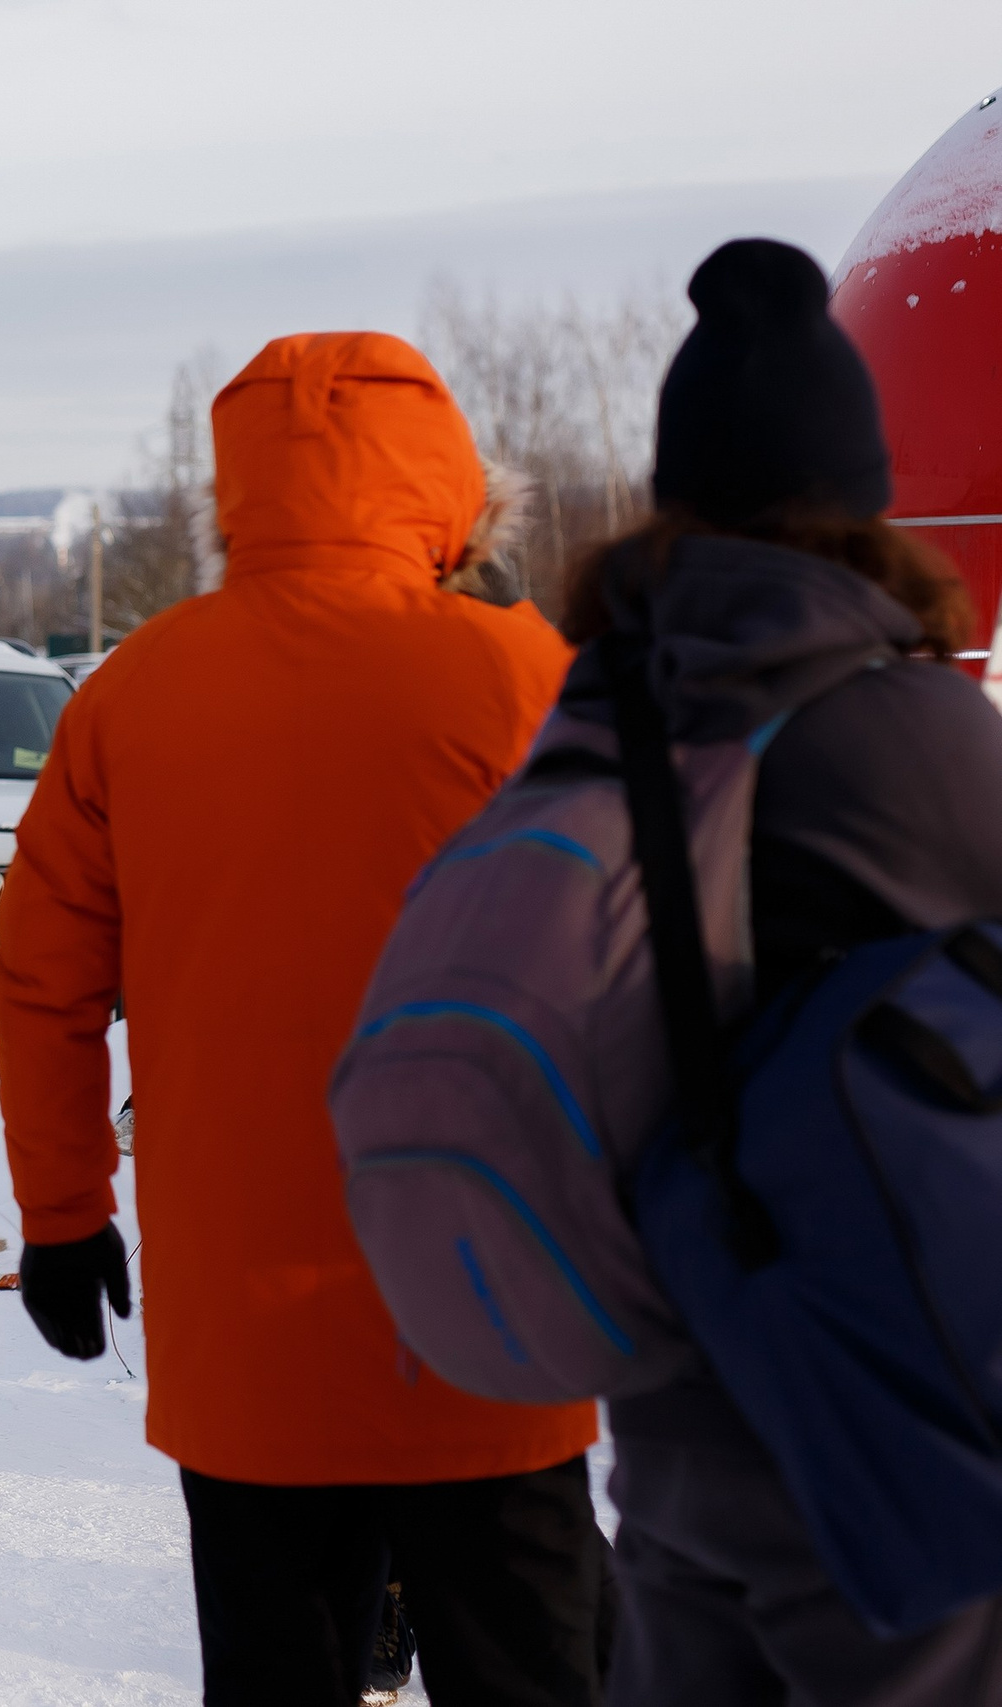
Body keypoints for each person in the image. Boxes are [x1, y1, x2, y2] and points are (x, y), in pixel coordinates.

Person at [0, 333, 606, 1704]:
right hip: (493, 1298)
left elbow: (42, 981)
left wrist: (63, 1213)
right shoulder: (526, 674)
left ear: (235, 493)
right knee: (535, 1668)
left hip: (245, 1326)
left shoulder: (134, 692)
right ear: (452, 491)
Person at [557, 239, 1002, 1704]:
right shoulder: (909, 732)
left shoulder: (599, 714)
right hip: (888, 1383)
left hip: (676, 1397)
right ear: (860, 495)